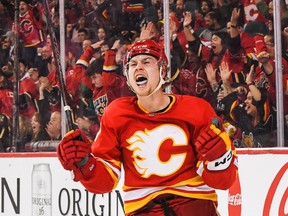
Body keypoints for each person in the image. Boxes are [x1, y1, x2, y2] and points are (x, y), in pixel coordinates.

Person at [57, 39, 238, 215]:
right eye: (133, 64)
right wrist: (83, 162)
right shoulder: (116, 114)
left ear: (163, 70)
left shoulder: (197, 109)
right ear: (127, 75)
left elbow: (224, 181)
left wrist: (218, 159)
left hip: (195, 208)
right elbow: (105, 182)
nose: (139, 67)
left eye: (146, 61)